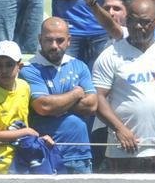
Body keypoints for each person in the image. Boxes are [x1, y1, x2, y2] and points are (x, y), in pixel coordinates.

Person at [91, 0, 155, 172]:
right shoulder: (110, 55)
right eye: (133, 21)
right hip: (123, 150)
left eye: (144, 22)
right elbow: (98, 97)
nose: (138, 26)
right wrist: (119, 129)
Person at [20, 17, 97, 174]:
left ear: (69, 41)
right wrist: (76, 93)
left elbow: (92, 105)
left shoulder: (79, 66)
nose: (54, 45)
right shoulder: (29, 69)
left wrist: (58, 102)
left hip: (80, 155)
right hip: (45, 153)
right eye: (49, 40)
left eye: (60, 40)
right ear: (40, 40)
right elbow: (43, 106)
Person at [0, 39, 51, 173]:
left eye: (9, 65)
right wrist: (26, 132)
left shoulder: (25, 87)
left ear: (20, 66)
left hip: (24, 156)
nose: (4, 70)